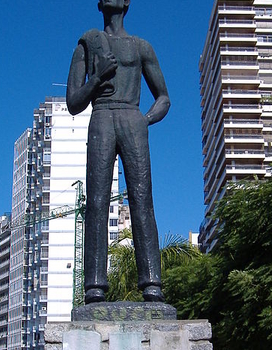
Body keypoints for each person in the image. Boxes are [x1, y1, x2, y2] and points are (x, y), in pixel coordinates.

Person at [67, 0, 170, 304]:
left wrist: (144, 119)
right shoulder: (87, 43)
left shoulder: (141, 47)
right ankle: (94, 286)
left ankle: (152, 283)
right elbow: (73, 101)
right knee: (97, 201)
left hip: (132, 117)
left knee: (142, 200)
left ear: (127, 3)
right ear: (99, 3)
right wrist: (97, 79)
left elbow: (164, 97)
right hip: (100, 116)